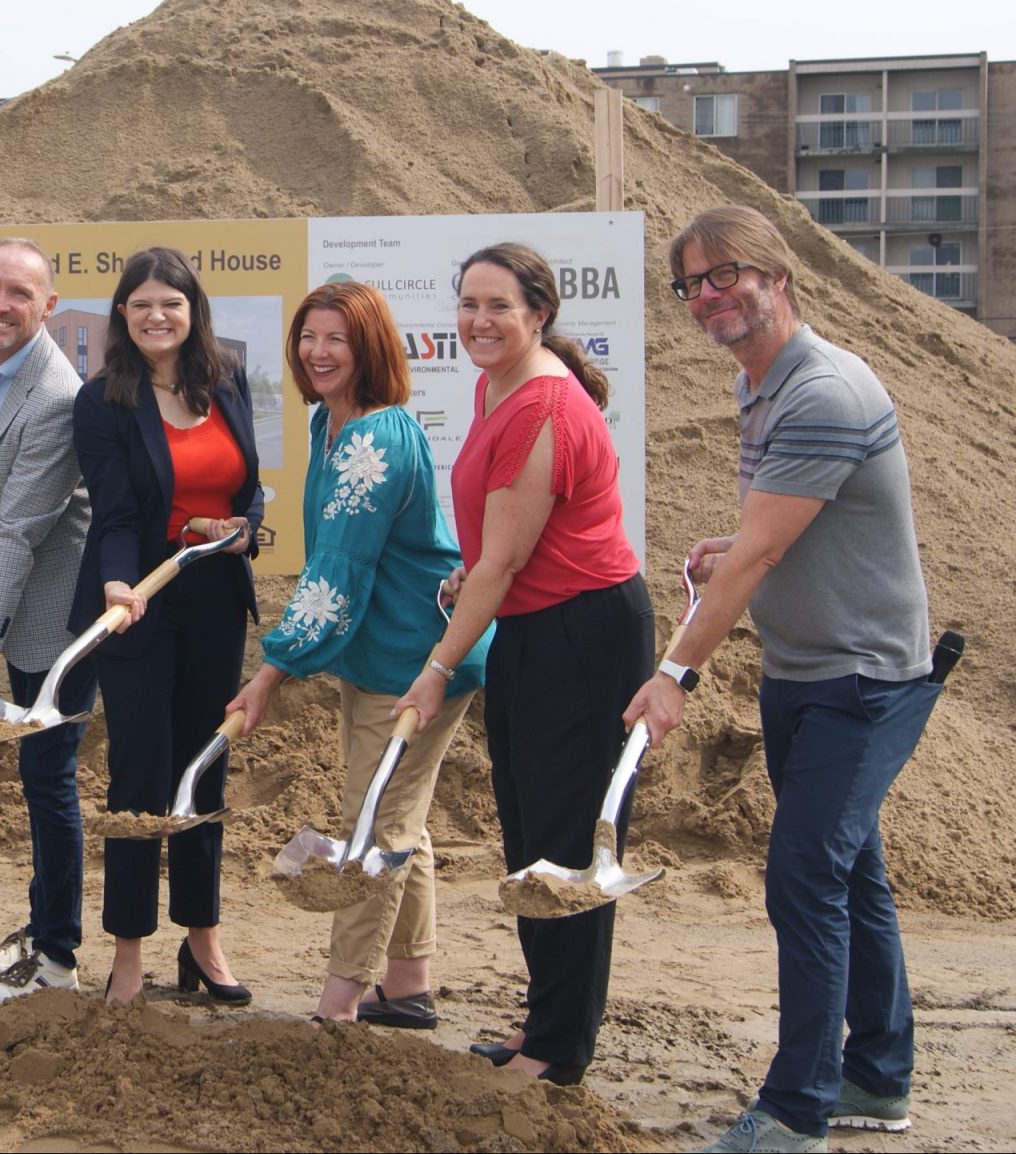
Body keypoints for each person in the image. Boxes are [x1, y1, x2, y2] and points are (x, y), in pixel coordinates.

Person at [631, 206, 943, 1154]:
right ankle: (878, 1077)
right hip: (804, 670)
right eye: (690, 284)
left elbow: (760, 558)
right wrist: (743, 544)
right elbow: (780, 531)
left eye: (723, 275)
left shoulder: (823, 390)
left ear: (776, 273)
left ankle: (798, 1106)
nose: (706, 297)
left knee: (805, 876)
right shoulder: (755, 385)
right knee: (852, 873)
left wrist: (675, 670)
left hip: (867, 679)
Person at [393, 242, 653, 1084]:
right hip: (533, 627)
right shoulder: (494, 384)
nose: (478, 320)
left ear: (539, 313)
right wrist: (479, 569)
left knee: (565, 848)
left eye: (498, 305)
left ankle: (559, 1048)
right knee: (528, 835)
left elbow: (506, 563)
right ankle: (545, 1022)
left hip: (582, 639)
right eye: (468, 303)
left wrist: (437, 667)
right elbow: (504, 551)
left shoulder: (542, 407)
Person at [226, 282, 489, 1028]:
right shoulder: (329, 423)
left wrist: (272, 669)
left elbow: (337, 570)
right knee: (401, 813)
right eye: (309, 337)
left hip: (418, 661)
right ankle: (407, 986)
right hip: (388, 654)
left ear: (369, 347)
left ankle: (338, 1003)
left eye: (337, 339)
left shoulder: (374, 437)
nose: (318, 352)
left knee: (373, 825)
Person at [72, 246, 261, 1007]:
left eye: (172, 304)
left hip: (215, 597)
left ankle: (202, 940)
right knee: (141, 776)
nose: (158, 316)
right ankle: (126, 951)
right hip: (139, 604)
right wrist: (119, 583)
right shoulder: (103, 400)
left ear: (193, 312)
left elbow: (249, 488)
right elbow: (114, 513)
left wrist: (244, 527)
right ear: (123, 313)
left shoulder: (227, 379)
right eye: (143, 303)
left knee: (202, 768)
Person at [0, 240, 97, 1007]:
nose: (0, 304)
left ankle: (58, 959)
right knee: (40, 783)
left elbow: (23, 529)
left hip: (55, 618)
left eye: (19, 294)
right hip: (10, 584)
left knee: (49, 779)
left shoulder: (58, 397)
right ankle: (38, 931)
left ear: (49, 306)